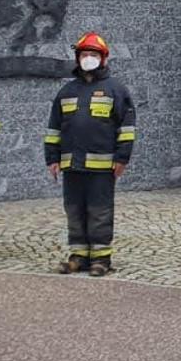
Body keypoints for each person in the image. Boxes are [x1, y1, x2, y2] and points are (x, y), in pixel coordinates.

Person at [46, 32, 135, 276]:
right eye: (84, 54)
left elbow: (126, 128)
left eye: (93, 55)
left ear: (103, 59)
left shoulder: (116, 90)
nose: (88, 59)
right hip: (72, 164)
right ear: (77, 58)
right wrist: (52, 158)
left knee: (100, 210)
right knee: (74, 209)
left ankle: (101, 258)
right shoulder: (66, 91)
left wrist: (122, 158)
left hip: (102, 166)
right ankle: (78, 255)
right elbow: (54, 127)